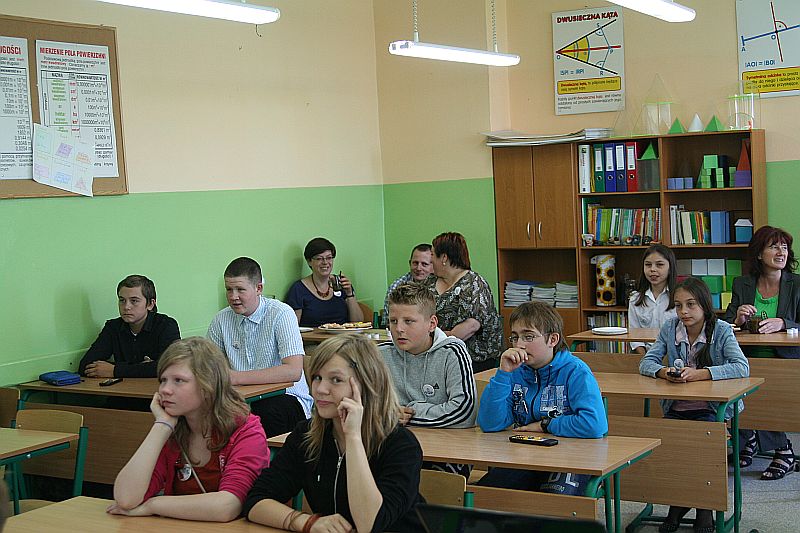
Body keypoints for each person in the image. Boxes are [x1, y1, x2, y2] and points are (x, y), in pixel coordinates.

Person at [244, 334, 424, 533]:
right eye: (317, 377)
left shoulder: (400, 445)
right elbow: (256, 501)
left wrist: (353, 437)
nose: (321, 389)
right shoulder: (306, 436)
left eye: (336, 380)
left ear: (366, 385)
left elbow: (370, 525)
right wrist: (306, 522)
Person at [108, 337, 269, 522]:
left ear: (208, 385)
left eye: (178, 380)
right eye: (163, 380)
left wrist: (153, 505)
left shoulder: (246, 430)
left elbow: (227, 506)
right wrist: (162, 426)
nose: (165, 390)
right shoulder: (173, 429)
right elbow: (126, 498)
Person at [641, 277, 749, 533]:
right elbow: (646, 362)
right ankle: (679, 503)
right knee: (671, 455)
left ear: (704, 305)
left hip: (711, 410)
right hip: (676, 408)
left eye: (690, 304)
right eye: (678, 305)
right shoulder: (670, 328)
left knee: (702, 453)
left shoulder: (721, 329)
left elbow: (742, 366)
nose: (684, 311)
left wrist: (703, 373)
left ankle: (703, 509)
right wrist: (664, 372)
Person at [477, 301, 607, 495]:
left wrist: (545, 425)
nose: (519, 345)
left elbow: (594, 424)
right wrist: (503, 374)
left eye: (528, 336)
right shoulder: (513, 371)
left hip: (571, 457)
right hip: (525, 454)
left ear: (552, 339)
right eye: (515, 337)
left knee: (554, 499)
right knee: (485, 495)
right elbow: (489, 424)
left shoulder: (576, 371)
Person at [724, 225, 800, 480]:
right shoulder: (742, 284)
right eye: (774, 247)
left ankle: (783, 449)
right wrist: (738, 318)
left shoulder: (796, 284)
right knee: (735, 380)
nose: (781, 252)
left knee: (769, 388)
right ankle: (747, 440)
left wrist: (784, 323)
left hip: (786, 359)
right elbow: (726, 324)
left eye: (784, 247)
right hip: (746, 356)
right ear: (759, 253)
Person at [208, 257, 312, 437]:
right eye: (229, 289)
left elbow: (293, 371)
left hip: (287, 398)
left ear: (258, 288)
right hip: (241, 398)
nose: (233, 297)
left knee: (263, 413)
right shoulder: (221, 320)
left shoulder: (281, 313)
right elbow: (209, 366)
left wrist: (236, 378)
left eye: (240, 289)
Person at [381, 282, 476, 477]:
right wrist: (385, 415)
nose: (399, 329)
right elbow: (359, 403)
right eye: (393, 321)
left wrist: (412, 414)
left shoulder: (452, 352)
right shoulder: (380, 354)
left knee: (433, 480)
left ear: (432, 324)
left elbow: (464, 411)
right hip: (395, 446)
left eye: (409, 321)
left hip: (448, 449)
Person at [423, 232, 502, 373]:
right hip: (436, 355)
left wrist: (426, 338)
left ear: (444, 258)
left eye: (433, 255)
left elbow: (469, 327)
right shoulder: (430, 282)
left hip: (474, 361)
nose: (431, 260)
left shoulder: (474, 284)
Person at [79, 275, 180, 378]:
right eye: (122, 300)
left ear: (150, 304)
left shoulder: (166, 325)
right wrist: (144, 368)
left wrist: (114, 370)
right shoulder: (113, 327)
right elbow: (85, 366)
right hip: (124, 387)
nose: (126, 307)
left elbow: (171, 367)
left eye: (134, 301)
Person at [285, 237, 364, 328]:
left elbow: (358, 323)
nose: (325, 262)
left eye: (329, 258)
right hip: (313, 337)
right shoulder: (298, 289)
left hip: (343, 336)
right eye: (319, 258)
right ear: (309, 261)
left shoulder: (341, 283)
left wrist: (350, 294)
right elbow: (292, 328)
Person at [629, 244, 678, 355]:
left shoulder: (679, 298)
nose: (652, 269)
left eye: (659, 265)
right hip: (645, 355)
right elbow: (634, 336)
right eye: (648, 265)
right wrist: (646, 358)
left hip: (674, 355)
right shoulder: (635, 299)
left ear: (670, 268)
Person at [381, 244, 434, 326]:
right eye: (415, 263)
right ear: (410, 263)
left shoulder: (440, 287)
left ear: (434, 266)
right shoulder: (396, 287)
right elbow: (387, 323)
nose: (418, 268)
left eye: (424, 264)